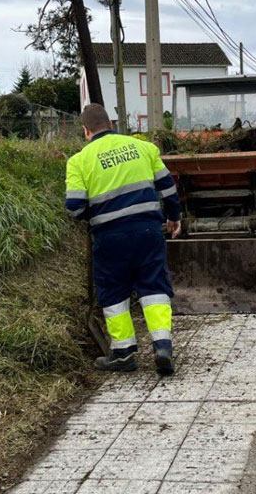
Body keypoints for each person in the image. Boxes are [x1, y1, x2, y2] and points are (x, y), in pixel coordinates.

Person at [65, 104, 182, 375]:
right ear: (111, 123)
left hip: (109, 237)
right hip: (148, 232)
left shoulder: (79, 161)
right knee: (154, 286)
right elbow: (168, 187)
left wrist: (95, 215)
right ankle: (162, 346)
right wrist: (173, 216)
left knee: (114, 291)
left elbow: (74, 207)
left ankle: (123, 353)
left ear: (86, 130)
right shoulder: (144, 148)